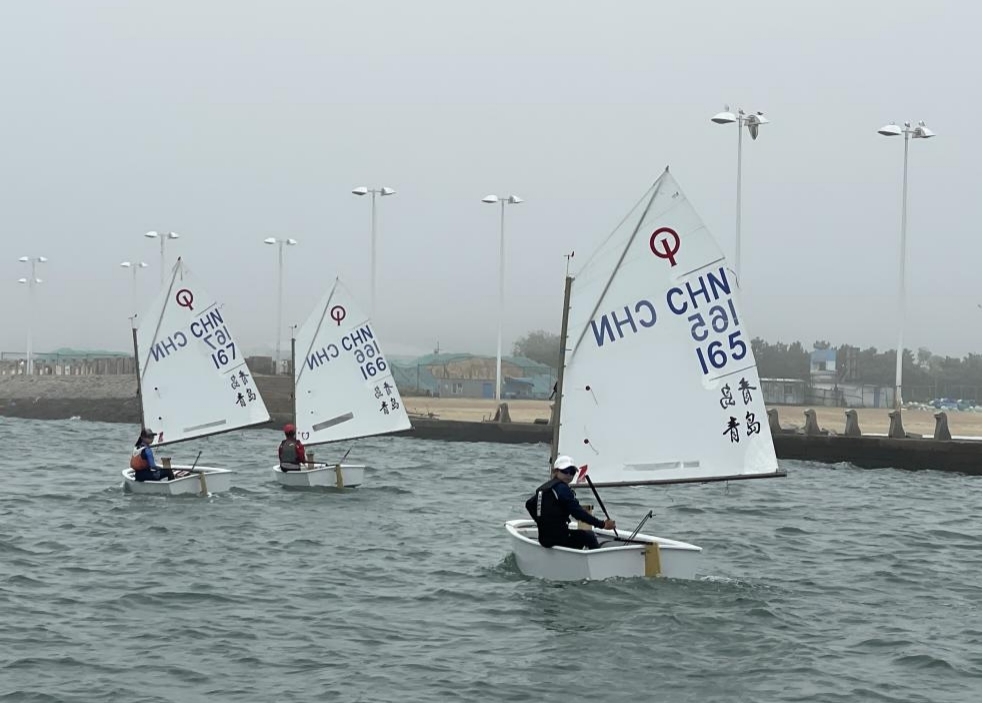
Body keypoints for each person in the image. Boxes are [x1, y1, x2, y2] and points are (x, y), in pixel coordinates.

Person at [525, 455, 615, 550]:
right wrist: (603, 524)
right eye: (565, 471)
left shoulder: (545, 488)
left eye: (572, 472)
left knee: (578, 535)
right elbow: (578, 513)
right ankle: (597, 560)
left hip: (544, 539)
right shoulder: (561, 488)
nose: (568, 475)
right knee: (589, 535)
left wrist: (541, 522)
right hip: (559, 539)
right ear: (555, 471)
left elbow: (529, 504)